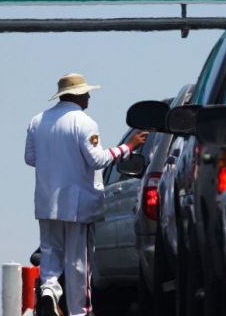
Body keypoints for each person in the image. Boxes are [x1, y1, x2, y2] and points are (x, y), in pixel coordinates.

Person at [24, 73, 148, 316]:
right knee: (79, 262)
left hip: (47, 201)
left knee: (50, 251)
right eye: (86, 92)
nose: (89, 96)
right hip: (79, 204)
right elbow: (98, 160)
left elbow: (30, 158)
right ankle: (80, 311)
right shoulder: (85, 122)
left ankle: (49, 291)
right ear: (77, 95)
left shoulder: (37, 121)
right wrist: (128, 147)